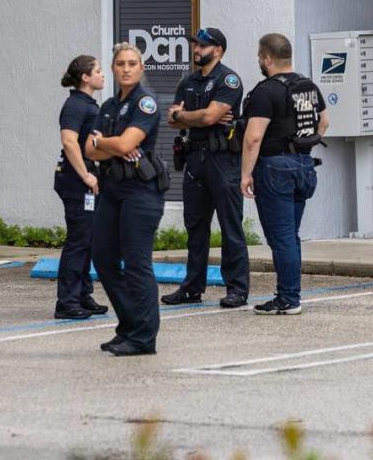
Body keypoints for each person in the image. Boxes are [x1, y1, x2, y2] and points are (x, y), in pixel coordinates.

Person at [84, 42, 167, 356]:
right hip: (112, 189)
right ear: (114, 68)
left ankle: (144, 338)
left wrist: (105, 141)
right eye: (121, 63)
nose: (127, 68)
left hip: (140, 192)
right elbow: (89, 150)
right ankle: (130, 325)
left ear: (141, 68)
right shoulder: (106, 107)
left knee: (136, 263)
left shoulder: (144, 103)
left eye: (133, 63)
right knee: (102, 257)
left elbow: (124, 143)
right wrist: (111, 144)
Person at [161, 27, 250, 309]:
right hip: (194, 160)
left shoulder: (228, 80)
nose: (196, 49)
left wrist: (188, 116)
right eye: (195, 45)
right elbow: (172, 120)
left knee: (230, 226)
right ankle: (192, 287)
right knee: (195, 227)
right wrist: (192, 117)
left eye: (202, 45)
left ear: (218, 50)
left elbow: (211, 116)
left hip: (222, 160)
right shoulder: (188, 81)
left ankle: (236, 288)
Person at [240, 33, 329, 315]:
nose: (258, 61)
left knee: (282, 238)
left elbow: (253, 138)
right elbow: (324, 121)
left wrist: (245, 174)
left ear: (267, 59)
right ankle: (290, 294)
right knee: (290, 234)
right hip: (303, 165)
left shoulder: (266, 91)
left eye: (259, 57)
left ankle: (289, 298)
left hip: (275, 168)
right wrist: (306, 141)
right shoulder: (308, 86)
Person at [53, 55, 109, 319]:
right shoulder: (75, 105)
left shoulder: (87, 103)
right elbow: (69, 141)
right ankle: (67, 302)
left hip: (87, 181)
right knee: (78, 239)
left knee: (88, 238)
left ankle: (83, 294)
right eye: (98, 71)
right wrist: (86, 175)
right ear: (85, 78)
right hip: (77, 182)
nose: (103, 74)